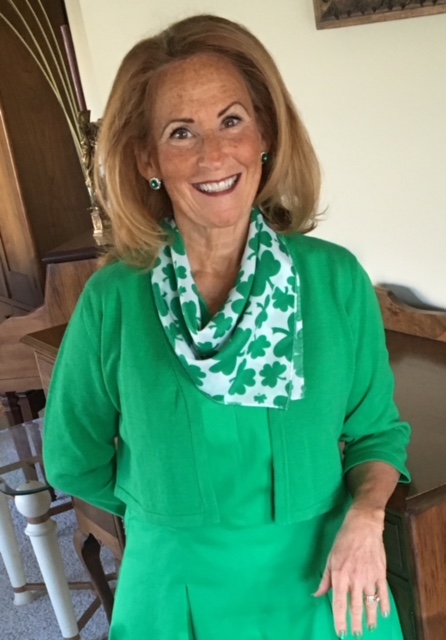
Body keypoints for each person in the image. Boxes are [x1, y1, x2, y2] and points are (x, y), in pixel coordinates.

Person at [43, 14, 411, 640]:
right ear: (148, 158)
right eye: (181, 132)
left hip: (327, 587)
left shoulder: (335, 280)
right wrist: (165, 516)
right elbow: (72, 461)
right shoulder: (113, 300)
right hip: (174, 596)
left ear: (264, 133)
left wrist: (366, 516)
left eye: (232, 121)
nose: (213, 154)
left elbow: (377, 435)